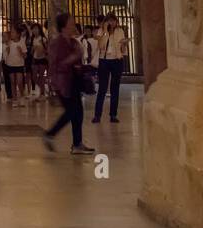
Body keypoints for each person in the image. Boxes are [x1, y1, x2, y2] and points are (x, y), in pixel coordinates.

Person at [43, 13, 94, 155]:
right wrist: (71, 59)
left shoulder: (73, 42)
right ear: (64, 26)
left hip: (74, 81)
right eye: (71, 23)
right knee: (72, 111)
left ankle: (77, 143)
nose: (74, 25)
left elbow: (77, 62)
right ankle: (51, 134)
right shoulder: (56, 43)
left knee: (78, 111)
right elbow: (54, 65)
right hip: (63, 82)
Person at [93, 12, 129, 124]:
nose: (111, 23)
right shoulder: (102, 31)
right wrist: (104, 32)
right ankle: (97, 115)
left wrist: (124, 43)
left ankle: (113, 114)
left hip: (117, 60)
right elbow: (100, 46)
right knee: (102, 88)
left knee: (115, 88)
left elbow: (123, 50)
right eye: (109, 21)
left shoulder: (120, 31)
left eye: (113, 20)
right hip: (104, 61)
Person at [2, 22, 26, 104]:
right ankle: (14, 99)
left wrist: (21, 52)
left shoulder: (22, 42)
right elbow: (5, 55)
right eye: (11, 32)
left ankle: (22, 97)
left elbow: (25, 55)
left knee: (19, 82)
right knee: (12, 82)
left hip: (19, 65)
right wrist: (7, 51)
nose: (11, 34)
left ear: (18, 34)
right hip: (10, 64)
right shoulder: (9, 42)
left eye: (13, 32)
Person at [28, 22, 49, 99]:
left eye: (36, 29)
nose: (35, 30)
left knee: (41, 76)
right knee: (34, 76)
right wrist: (33, 49)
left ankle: (42, 93)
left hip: (42, 59)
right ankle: (43, 89)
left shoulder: (43, 39)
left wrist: (42, 48)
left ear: (39, 30)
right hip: (35, 58)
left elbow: (47, 50)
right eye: (33, 29)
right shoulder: (32, 39)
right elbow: (31, 51)